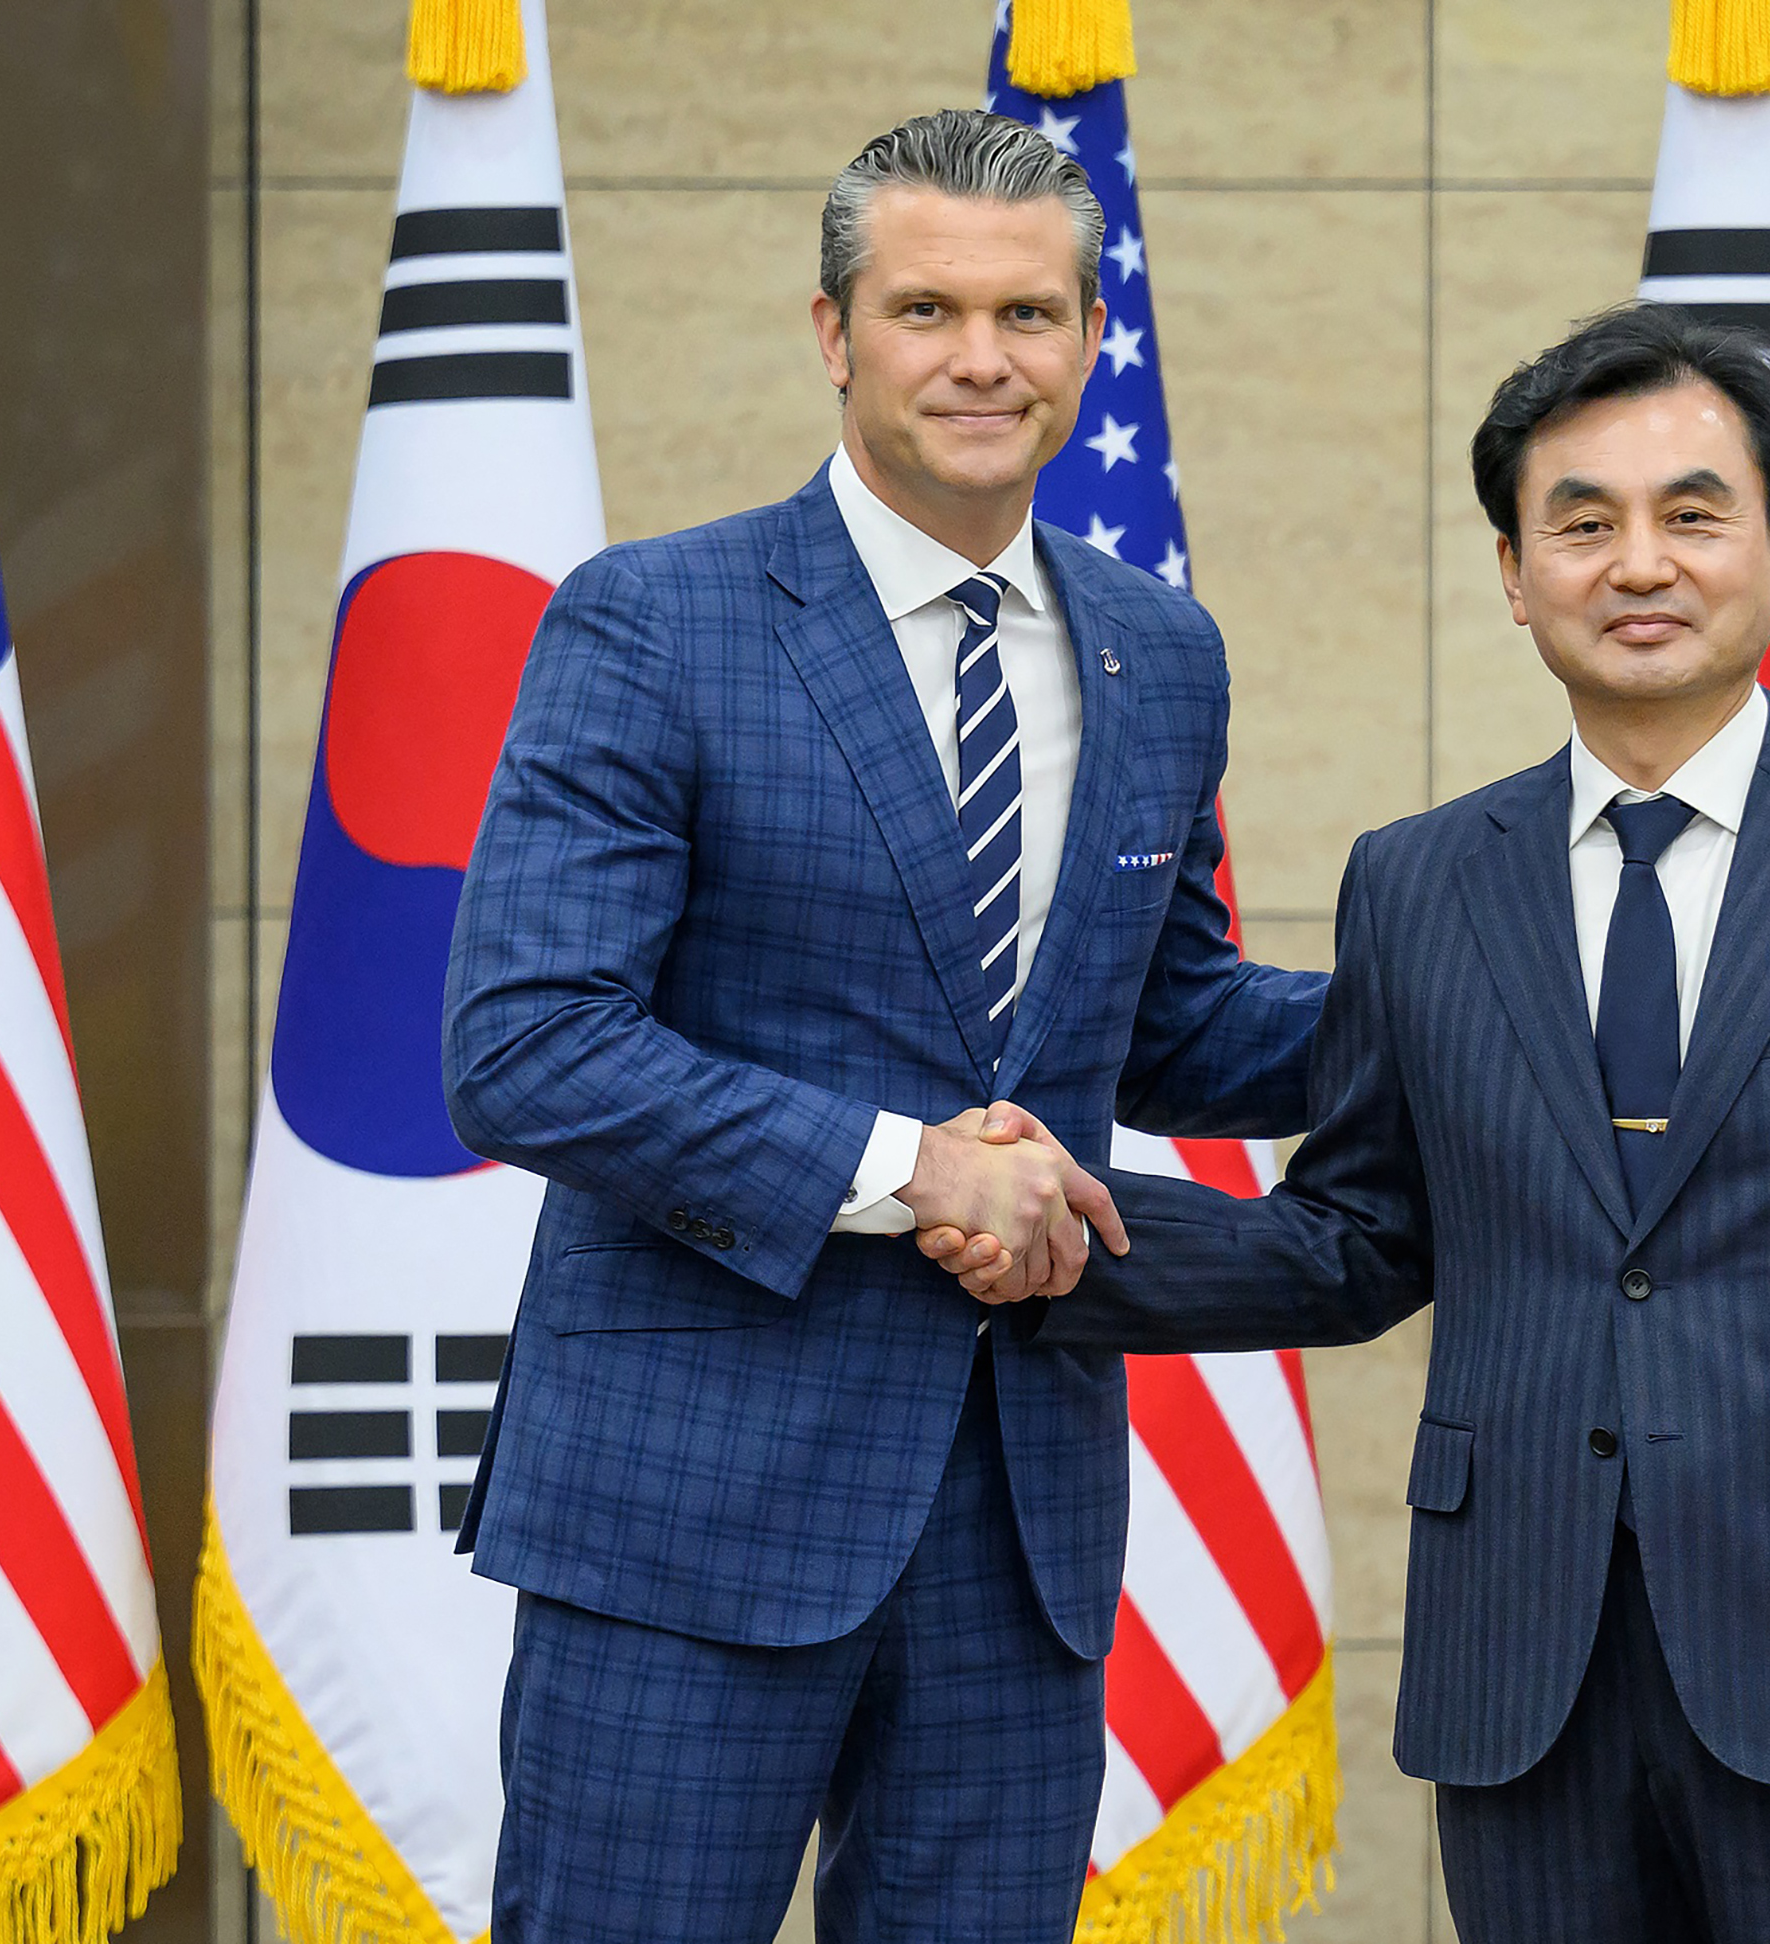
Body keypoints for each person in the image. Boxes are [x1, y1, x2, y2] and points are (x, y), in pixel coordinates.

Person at [929, 304, 1770, 1944]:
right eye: (1583, 522)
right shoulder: (1422, 881)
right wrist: (1060, 1236)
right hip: (1525, 1667)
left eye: (1692, 514)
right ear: (1514, 571)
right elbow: (1354, 1240)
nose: (1639, 563)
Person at [439, 108, 1323, 1944]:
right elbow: (527, 1039)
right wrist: (901, 1164)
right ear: (835, 334)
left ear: (1093, 338)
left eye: (1030, 313)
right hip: (687, 1511)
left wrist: (1494, 992)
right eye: (927, 309)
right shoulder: (652, 623)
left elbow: (1166, 1025)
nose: (982, 359)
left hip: (1019, 1534)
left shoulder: (1165, 650)